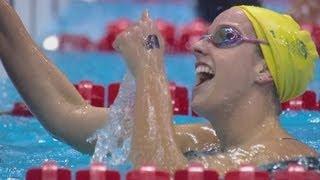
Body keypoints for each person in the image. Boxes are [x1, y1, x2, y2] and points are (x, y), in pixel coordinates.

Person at [0, 0, 318, 174]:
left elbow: (158, 174)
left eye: (225, 37)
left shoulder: (288, 159)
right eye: (204, 36)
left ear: (264, 69)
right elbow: (69, 114)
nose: (197, 47)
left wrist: (149, 68)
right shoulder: (206, 140)